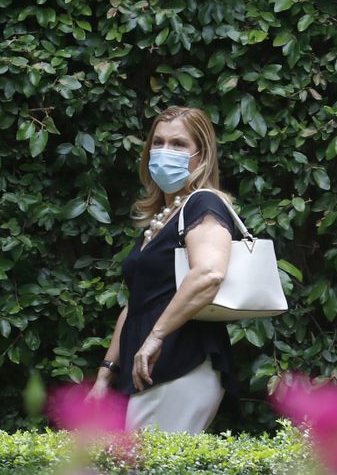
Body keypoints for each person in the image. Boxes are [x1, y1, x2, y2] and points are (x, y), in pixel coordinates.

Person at [90, 106, 244, 433]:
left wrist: (155, 336)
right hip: (147, 365)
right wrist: (106, 372)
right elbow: (137, 303)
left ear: (201, 155)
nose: (164, 152)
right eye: (157, 142)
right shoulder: (163, 217)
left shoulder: (205, 204)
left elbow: (209, 273)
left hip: (182, 360)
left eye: (178, 144)